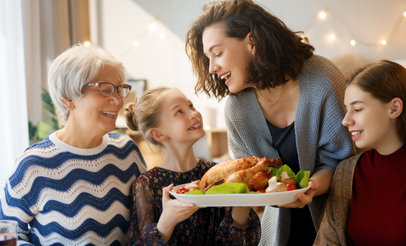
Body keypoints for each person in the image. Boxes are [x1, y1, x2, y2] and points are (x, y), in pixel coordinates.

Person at [185, 0, 353, 245]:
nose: (212, 68)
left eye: (218, 53)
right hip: (278, 234)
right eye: (208, 58)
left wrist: (312, 187)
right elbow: (250, 181)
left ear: (252, 41)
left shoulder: (322, 82)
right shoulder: (237, 109)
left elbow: (342, 160)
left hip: (337, 226)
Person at [0, 45, 147, 245]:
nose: (118, 100)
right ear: (69, 99)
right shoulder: (33, 165)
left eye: (120, 89)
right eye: (105, 89)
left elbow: (145, 221)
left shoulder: (126, 151)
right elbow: (6, 232)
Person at [314, 60, 406, 246]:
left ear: (394, 108)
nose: (345, 121)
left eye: (358, 109)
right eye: (347, 110)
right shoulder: (346, 172)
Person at [125, 87, 261, 245]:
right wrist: (166, 223)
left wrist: (241, 207)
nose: (194, 113)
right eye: (179, 112)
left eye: (190, 106)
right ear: (159, 134)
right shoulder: (147, 184)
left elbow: (241, 242)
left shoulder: (217, 174)